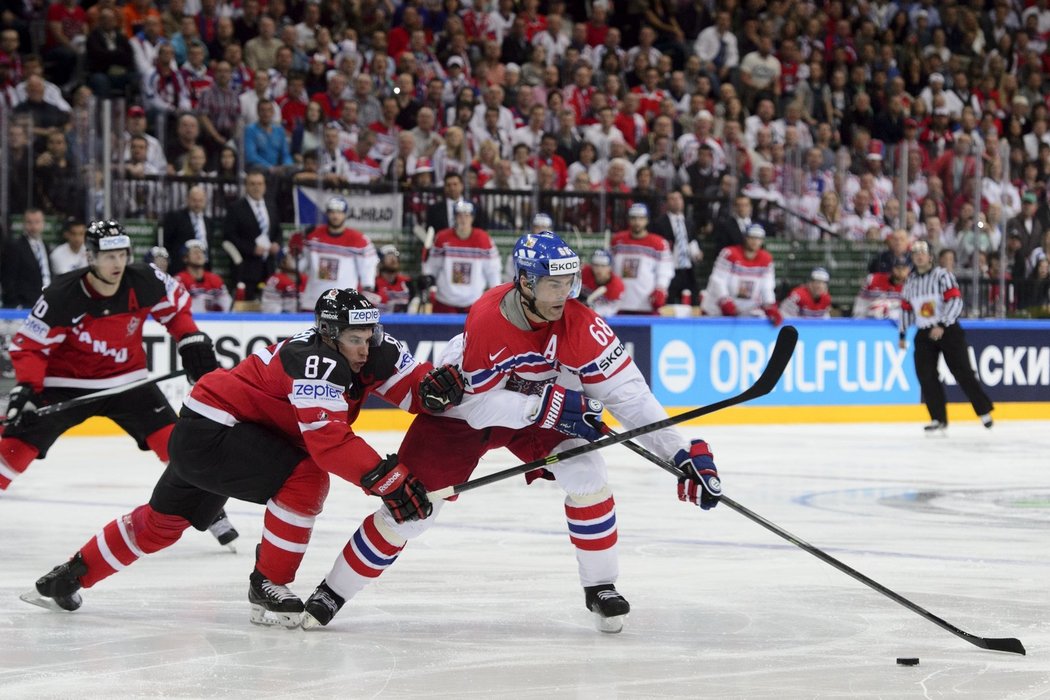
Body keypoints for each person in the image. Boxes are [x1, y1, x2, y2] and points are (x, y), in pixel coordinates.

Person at [298, 233, 722, 632]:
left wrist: (681, 453)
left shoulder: (582, 324)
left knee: (587, 472)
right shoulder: (488, 317)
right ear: (525, 282)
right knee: (413, 508)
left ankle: (601, 585)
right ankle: (332, 592)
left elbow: (629, 395)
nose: (565, 294)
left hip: (535, 414)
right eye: (554, 285)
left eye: (570, 282)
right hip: (464, 414)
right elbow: (479, 407)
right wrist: (551, 404)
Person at [24, 289, 466, 625]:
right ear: (329, 335)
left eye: (370, 335)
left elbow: (412, 389)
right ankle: (268, 583)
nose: (365, 348)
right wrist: (387, 479)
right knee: (306, 478)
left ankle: (66, 578)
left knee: (162, 524)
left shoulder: (367, 349)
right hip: (214, 433)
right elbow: (328, 442)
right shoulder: (315, 360)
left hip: (216, 429)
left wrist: (434, 391)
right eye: (355, 338)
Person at [0, 220, 237, 547]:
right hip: (65, 382)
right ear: (91, 256)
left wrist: (190, 339)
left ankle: (208, 509)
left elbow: (175, 309)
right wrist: (27, 388)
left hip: (127, 381)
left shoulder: (146, 279)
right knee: (14, 448)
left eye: (122, 254)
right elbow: (30, 346)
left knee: (177, 445)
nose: (117, 263)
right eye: (108, 256)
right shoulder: (61, 294)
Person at [898, 240, 994, 433]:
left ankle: (983, 411)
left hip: (948, 329)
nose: (919, 255)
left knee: (962, 372)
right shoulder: (910, 282)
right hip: (924, 331)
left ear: (930, 256)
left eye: (923, 252)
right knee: (925, 374)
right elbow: (906, 309)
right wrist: (902, 333)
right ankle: (938, 418)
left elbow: (956, 301)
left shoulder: (943, 276)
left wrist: (942, 323)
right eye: (915, 252)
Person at [300, 196, 379, 311]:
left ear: (345, 214)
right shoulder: (313, 236)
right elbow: (302, 264)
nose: (335, 216)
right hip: (313, 300)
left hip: (343, 303)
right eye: (332, 212)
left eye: (339, 212)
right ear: (327, 213)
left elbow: (368, 267)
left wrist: (367, 289)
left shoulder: (358, 240)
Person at [422, 200, 501, 313]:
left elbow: (493, 271)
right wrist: (428, 277)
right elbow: (433, 266)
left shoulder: (483, 239)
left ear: (472, 218)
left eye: (467, 215)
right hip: (445, 301)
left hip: (473, 302)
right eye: (459, 215)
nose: (463, 219)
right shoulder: (442, 238)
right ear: (454, 217)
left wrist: (496, 296)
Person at [701, 223, 781, 325]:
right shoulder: (729, 253)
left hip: (744, 312)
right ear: (745, 238)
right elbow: (718, 280)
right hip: (717, 309)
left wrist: (770, 305)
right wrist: (725, 301)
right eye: (752, 237)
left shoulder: (766, 259)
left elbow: (767, 287)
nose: (755, 241)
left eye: (758, 239)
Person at [222, 169, 282, 300]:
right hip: (246, 267)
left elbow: (277, 230)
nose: (256, 187)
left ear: (264, 186)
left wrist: (277, 244)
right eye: (252, 184)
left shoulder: (272, 206)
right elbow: (229, 236)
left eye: (260, 184)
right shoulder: (236, 208)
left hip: (269, 266)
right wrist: (251, 249)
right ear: (246, 186)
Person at [610, 203, 673, 315]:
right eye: (633, 218)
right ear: (629, 220)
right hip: (619, 304)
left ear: (647, 220)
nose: (637, 222)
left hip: (646, 304)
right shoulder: (617, 241)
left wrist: (661, 289)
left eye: (641, 218)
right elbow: (610, 268)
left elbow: (665, 271)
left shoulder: (659, 243)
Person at [650, 191, 703, 305]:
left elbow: (694, 240)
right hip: (670, 269)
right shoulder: (659, 223)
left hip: (688, 269)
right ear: (667, 203)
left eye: (679, 198)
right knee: (669, 302)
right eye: (672, 199)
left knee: (693, 300)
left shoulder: (689, 222)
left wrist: (698, 253)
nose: (676, 202)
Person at [1, 208, 52, 309]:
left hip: (45, 303)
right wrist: (16, 304)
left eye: (37, 222)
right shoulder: (15, 246)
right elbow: (8, 278)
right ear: (24, 224)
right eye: (29, 222)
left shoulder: (45, 246)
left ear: (43, 224)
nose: (34, 226)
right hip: (24, 305)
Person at [161, 185, 214, 274]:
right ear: (188, 200)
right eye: (194, 200)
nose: (197, 204)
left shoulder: (208, 221)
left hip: (204, 269)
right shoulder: (175, 217)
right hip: (181, 268)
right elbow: (166, 242)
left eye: (200, 201)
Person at [174, 241, 232, 313]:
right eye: (195, 252)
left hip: (212, 322)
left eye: (201, 252)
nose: (199, 255)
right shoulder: (179, 280)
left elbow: (227, 306)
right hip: (188, 320)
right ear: (185, 258)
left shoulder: (215, 279)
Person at [852, 256, 911, 320]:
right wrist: (859, 322)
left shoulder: (913, 287)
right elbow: (860, 305)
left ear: (909, 270)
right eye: (897, 268)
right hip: (872, 323)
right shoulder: (872, 279)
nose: (900, 271)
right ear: (892, 268)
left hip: (897, 324)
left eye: (904, 268)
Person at [580, 248, 625, 318]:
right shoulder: (584, 273)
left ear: (610, 267)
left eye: (603, 266)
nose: (599, 269)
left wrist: (592, 308)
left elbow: (611, 310)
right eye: (596, 265)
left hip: (604, 319)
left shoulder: (616, 286)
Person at [260, 248, 307, 314]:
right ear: (283, 262)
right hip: (283, 321)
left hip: (305, 319)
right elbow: (268, 306)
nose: (297, 258)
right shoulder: (275, 280)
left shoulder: (306, 278)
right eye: (292, 256)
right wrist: (284, 315)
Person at [374, 244, 413, 313]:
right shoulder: (373, 284)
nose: (393, 259)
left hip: (403, 322)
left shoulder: (407, 282)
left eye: (395, 256)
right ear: (380, 262)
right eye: (389, 256)